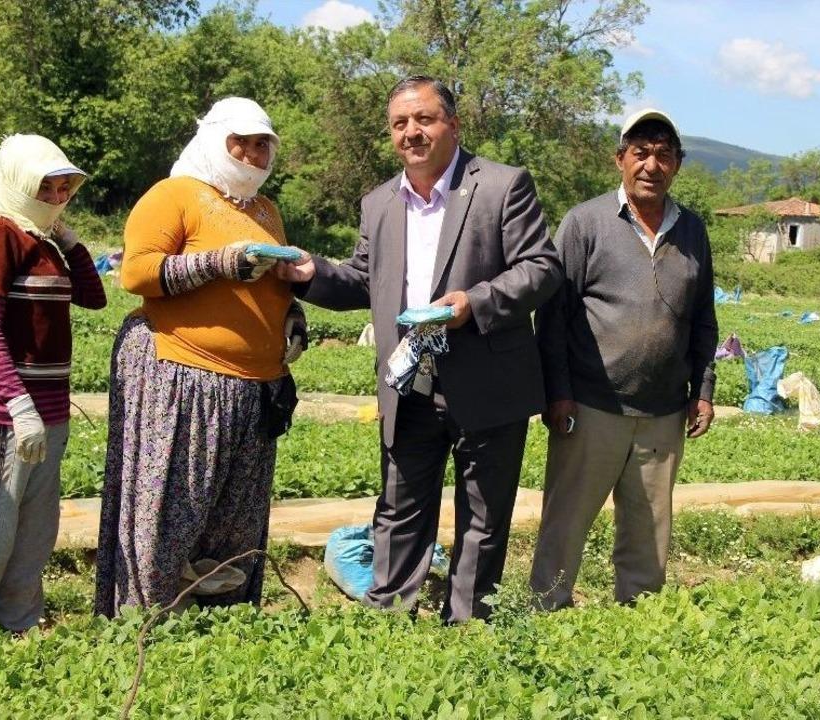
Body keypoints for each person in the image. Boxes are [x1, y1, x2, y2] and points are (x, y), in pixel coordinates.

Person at [277, 76, 561, 623]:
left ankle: (468, 625)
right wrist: (312, 274)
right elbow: (364, 279)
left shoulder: (502, 186)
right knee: (400, 509)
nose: (412, 132)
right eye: (400, 124)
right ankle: (390, 621)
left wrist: (473, 304)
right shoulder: (379, 202)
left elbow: (542, 268)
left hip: (487, 380)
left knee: (482, 515)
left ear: (452, 124)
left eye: (424, 119)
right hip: (410, 381)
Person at [94, 98, 307, 616]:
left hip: (253, 387)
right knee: (171, 510)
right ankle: (146, 621)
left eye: (263, 144)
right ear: (216, 141)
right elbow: (138, 274)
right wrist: (219, 262)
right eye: (243, 141)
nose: (254, 152)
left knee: (233, 519)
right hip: (183, 374)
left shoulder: (265, 210)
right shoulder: (175, 195)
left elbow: (266, 283)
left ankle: (220, 624)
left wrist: (292, 314)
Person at [528, 109, 719, 609]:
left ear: (678, 164)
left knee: (648, 529)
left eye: (663, 155)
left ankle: (639, 618)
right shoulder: (585, 223)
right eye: (640, 153)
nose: (651, 165)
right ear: (620, 160)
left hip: (662, 413)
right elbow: (552, 316)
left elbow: (703, 318)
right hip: (590, 406)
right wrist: (558, 392)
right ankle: (548, 609)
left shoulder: (692, 230)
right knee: (566, 521)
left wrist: (703, 389)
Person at [0, 134, 106, 631]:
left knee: (34, 532)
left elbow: (93, 298)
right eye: (46, 187)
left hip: (50, 413)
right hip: (7, 414)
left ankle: (18, 622)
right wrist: (17, 403)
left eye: (64, 187)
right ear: (18, 183)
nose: (56, 198)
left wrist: (71, 242)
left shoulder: (42, 239)